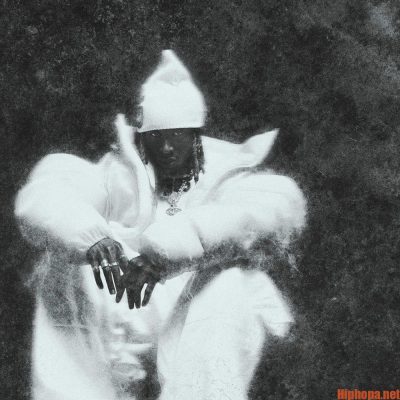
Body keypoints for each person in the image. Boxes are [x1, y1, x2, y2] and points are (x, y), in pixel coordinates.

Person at [15, 50, 307, 400]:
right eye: (157, 137)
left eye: (178, 135)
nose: (167, 147)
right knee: (62, 266)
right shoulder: (119, 174)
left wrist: (167, 253)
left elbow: (269, 207)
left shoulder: (225, 174)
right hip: (114, 314)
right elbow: (53, 190)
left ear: (194, 134)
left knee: (234, 282)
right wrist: (89, 236)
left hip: (186, 319)